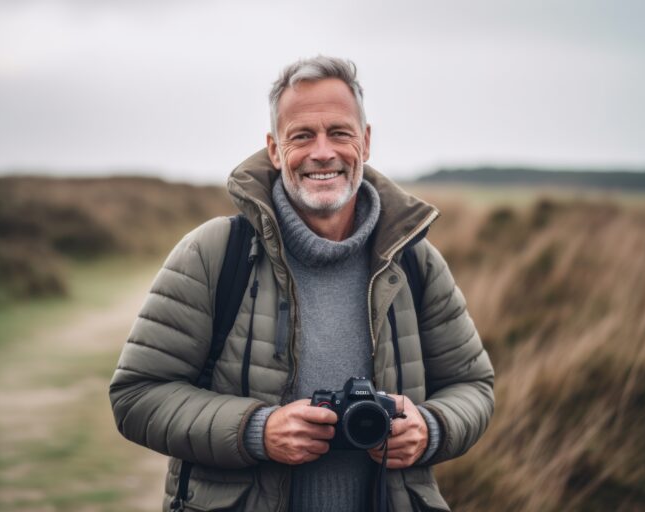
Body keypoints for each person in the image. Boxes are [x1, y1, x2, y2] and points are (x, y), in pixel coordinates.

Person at [109, 56, 494, 512]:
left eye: (340, 132)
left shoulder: (414, 261)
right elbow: (137, 395)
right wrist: (257, 432)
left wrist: (431, 428)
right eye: (302, 135)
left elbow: (474, 387)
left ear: (365, 142)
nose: (323, 152)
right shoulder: (214, 253)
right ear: (275, 149)